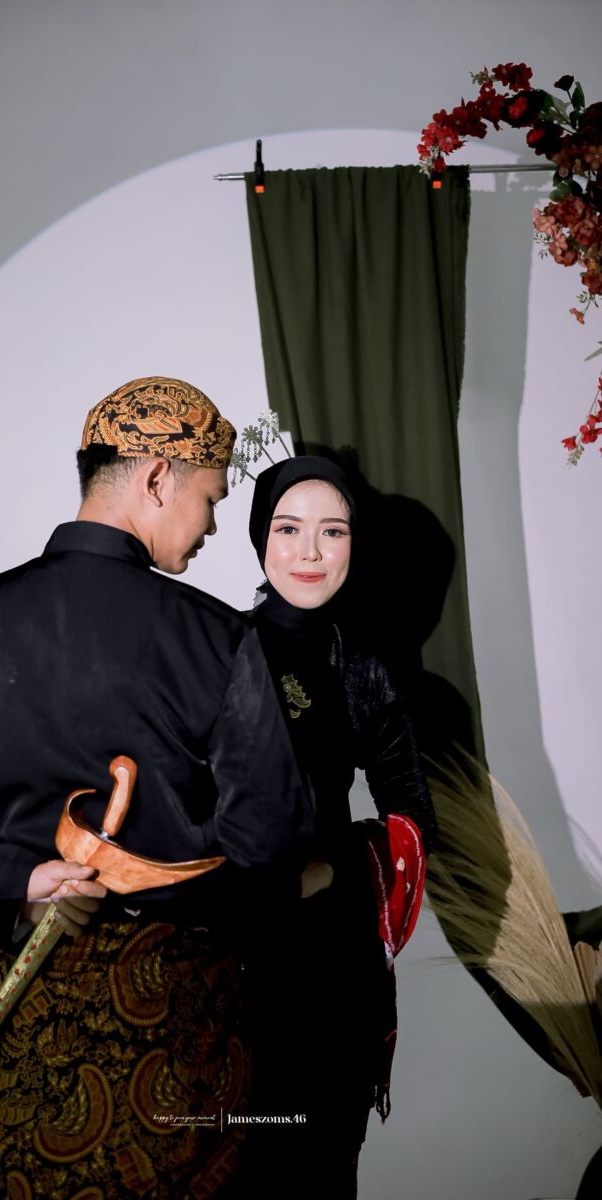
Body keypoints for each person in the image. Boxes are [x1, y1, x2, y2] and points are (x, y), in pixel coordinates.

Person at [0, 377, 314, 1200]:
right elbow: (267, 848)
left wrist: (14, 881)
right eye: (209, 499)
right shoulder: (218, 640)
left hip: (25, 1029)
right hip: (180, 1033)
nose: (210, 527)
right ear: (157, 477)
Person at [239, 454, 437, 1199]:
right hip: (228, 951)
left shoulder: (365, 667)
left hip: (331, 959)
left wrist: (333, 868)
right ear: (260, 538)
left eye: (333, 531)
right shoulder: (214, 648)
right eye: (289, 529)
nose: (311, 552)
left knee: (324, 1169)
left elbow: (412, 815)